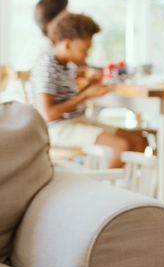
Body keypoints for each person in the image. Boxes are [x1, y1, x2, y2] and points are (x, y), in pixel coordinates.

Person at [31, 12, 147, 168]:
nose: (86, 56)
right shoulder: (47, 67)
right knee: (120, 146)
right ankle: (101, 189)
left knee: (139, 139)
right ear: (67, 44)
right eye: (84, 50)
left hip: (77, 121)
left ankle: (123, 188)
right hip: (58, 129)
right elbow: (48, 114)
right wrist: (85, 95)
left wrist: (89, 86)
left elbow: (65, 98)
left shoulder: (65, 66)